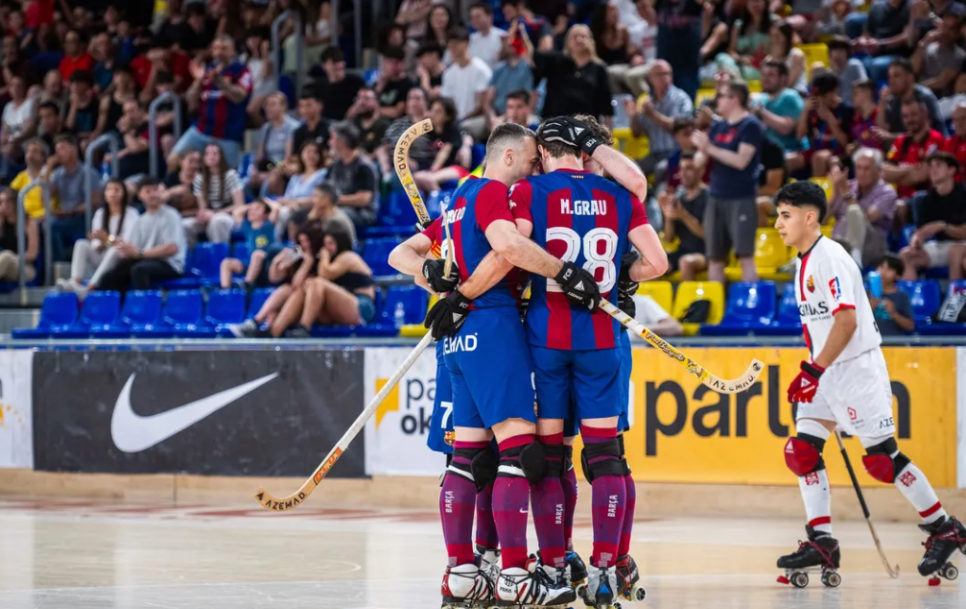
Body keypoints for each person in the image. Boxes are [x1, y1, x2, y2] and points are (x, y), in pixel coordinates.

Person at [420, 122, 602, 607]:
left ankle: (462, 573)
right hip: (494, 324)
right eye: (528, 161)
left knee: (467, 459)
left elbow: (405, 253)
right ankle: (516, 577)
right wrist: (564, 271)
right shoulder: (491, 194)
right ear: (505, 158)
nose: (533, 169)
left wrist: (432, 279)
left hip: (458, 336)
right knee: (519, 456)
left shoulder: (456, 197)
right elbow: (508, 248)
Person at [503, 115, 665, 606]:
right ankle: (604, 570)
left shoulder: (531, 191)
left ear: (545, 151)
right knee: (605, 457)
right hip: (601, 340)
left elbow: (514, 253)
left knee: (551, 460)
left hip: (548, 341)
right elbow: (657, 263)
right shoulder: (619, 195)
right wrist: (623, 278)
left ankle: (554, 567)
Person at [771, 180, 964, 583]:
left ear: (810, 217)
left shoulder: (831, 258)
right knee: (802, 452)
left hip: (855, 369)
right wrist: (814, 369)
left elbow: (847, 321)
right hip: (826, 370)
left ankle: (944, 526)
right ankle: (821, 540)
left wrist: (813, 371)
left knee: (882, 460)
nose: (777, 225)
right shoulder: (804, 262)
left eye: (785, 215)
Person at [387, 203, 500, 585]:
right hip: (457, 339)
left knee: (503, 457)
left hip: (502, 338)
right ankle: (462, 565)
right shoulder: (458, 214)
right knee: (465, 458)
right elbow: (399, 256)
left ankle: (488, 556)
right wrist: (430, 269)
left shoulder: (507, 210)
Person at [692, 80, 763, 283]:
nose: (716, 102)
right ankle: (717, 311)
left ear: (735, 99)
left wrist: (709, 147)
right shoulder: (717, 126)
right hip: (716, 196)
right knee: (715, 258)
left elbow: (741, 161)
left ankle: (753, 306)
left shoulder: (750, 125)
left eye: (720, 96)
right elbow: (699, 162)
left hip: (741, 197)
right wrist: (700, 146)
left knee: (745, 257)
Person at [89, 177, 187, 294]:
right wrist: (124, 248)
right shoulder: (140, 220)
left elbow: (172, 248)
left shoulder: (171, 215)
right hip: (145, 260)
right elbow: (134, 251)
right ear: (140, 195)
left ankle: (145, 308)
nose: (153, 195)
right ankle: (118, 308)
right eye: (148, 191)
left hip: (170, 264)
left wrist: (140, 253)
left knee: (139, 270)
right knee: (110, 276)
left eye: (155, 190)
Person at [230, 223, 326, 338]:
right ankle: (256, 323)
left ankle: (257, 323)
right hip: (294, 304)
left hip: (314, 309)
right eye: (301, 241)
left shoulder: (321, 258)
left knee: (288, 290)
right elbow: (274, 278)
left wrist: (307, 263)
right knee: (278, 304)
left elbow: (297, 286)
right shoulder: (298, 254)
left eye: (307, 240)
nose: (304, 245)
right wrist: (277, 262)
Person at [171, 36, 252, 171]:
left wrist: (218, 80)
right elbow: (190, 99)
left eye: (224, 49)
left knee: (229, 176)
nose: (219, 52)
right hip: (202, 130)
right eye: (216, 48)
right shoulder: (206, 69)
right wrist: (197, 81)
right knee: (173, 159)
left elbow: (239, 97)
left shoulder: (242, 70)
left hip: (228, 134)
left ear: (232, 50)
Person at [287, 229, 377, 336]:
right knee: (303, 289)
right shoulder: (331, 261)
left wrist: (324, 256)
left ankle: (304, 327)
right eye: (325, 244)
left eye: (331, 243)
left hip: (361, 307)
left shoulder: (348, 256)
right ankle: (273, 331)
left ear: (340, 242)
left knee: (317, 283)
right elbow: (296, 285)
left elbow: (325, 275)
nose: (327, 248)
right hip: (343, 307)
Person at [57, 179, 139, 293]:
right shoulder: (100, 213)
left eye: (117, 190)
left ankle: (91, 287)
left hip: (121, 259)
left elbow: (126, 243)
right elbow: (96, 243)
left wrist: (107, 239)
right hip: (102, 253)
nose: (113, 193)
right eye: (109, 190)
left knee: (114, 250)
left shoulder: (132, 213)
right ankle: (74, 282)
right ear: (104, 193)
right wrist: (99, 240)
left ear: (124, 193)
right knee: (81, 244)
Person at [899, 152, 966, 280]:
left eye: (938, 165)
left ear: (951, 170)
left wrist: (942, 227)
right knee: (906, 255)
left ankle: (954, 298)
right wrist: (917, 240)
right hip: (941, 245)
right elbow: (921, 231)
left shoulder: (963, 194)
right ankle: (910, 298)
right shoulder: (926, 199)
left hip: (962, 245)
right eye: (930, 166)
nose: (933, 170)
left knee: (955, 251)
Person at [530, 24, 613, 124]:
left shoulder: (599, 69)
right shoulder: (555, 62)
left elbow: (606, 108)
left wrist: (608, 136)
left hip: (587, 129)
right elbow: (531, 56)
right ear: (568, 42)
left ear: (591, 41)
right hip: (555, 126)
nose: (579, 39)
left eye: (583, 36)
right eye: (575, 36)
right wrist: (521, 35)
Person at [828, 148, 897, 267]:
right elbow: (823, 220)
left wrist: (846, 195)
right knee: (801, 264)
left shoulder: (887, 192)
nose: (862, 173)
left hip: (871, 247)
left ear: (878, 171)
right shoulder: (848, 186)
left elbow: (865, 218)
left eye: (867, 169)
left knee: (853, 211)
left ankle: (855, 257)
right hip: (841, 244)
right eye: (859, 168)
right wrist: (835, 193)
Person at [625, 60, 694, 177]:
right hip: (655, 154)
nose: (664, 77)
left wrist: (653, 115)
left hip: (676, 153)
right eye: (659, 74)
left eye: (667, 73)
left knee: (660, 170)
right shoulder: (648, 101)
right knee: (629, 170)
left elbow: (679, 127)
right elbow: (636, 133)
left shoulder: (681, 98)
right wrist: (634, 115)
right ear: (650, 79)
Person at [48, 135, 102, 262]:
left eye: (62, 149)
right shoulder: (57, 174)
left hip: (83, 217)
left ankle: (62, 262)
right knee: (46, 226)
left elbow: (94, 202)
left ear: (74, 150)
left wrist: (68, 212)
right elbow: (44, 197)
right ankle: (58, 262)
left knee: (53, 226)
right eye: (56, 150)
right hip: (65, 218)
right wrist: (48, 169)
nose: (58, 154)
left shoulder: (88, 172)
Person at [791, 71, 854, 178]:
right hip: (816, 149)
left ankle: (816, 193)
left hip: (839, 153)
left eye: (823, 95)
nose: (819, 99)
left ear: (834, 91)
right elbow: (800, 136)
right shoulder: (813, 107)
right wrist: (805, 111)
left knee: (819, 158)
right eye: (816, 95)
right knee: (789, 159)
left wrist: (829, 118)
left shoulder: (846, 110)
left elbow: (845, 143)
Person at [883, 97, 946, 202]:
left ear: (924, 113)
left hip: (927, 198)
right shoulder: (900, 141)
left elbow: (923, 175)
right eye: (905, 116)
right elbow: (884, 172)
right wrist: (910, 170)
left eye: (913, 115)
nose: (909, 120)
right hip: (899, 199)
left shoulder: (935, 139)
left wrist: (897, 174)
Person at [659, 152, 708, 280]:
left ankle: (690, 300)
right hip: (683, 251)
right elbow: (669, 238)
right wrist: (668, 214)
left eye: (689, 168)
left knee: (686, 262)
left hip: (707, 252)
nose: (684, 173)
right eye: (681, 169)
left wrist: (683, 215)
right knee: (654, 263)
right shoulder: (679, 198)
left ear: (701, 171)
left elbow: (706, 234)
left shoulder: (709, 197)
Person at [877, 59, 947, 146]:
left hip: (931, 147)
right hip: (907, 149)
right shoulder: (893, 101)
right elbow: (882, 132)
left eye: (896, 76)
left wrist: (893, 137)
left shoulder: (925, 97)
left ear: (910, 77)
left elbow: (924, 133)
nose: (891, 81)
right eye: (889, 77)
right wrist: (882, 103)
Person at [186, 143, 244, 245]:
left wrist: (215, 213)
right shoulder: (199, 178)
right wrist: (203, 215)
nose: (211, 156)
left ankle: (219, 256)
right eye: (207, 154)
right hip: (210, 215)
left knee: (217, 221)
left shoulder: (231, 175)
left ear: (221, 157)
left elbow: (239, 205)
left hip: (229, 215)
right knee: (186, 225)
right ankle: (191, 257)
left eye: (215, 153)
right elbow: (203, 206)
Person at [327, 121, 379, 229]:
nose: (329, 143)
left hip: (362, 213)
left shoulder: (364, 166)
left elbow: (364, 199)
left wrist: (334, 200)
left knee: (333, 215)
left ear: (342, 141)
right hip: (337, 207)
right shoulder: (335, 166)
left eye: (332, 138)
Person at [413, 97, 472, 192]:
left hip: (456, 169)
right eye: (432, 110)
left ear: (447, 116)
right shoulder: (430, 132)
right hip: (439, 169)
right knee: (416, 177)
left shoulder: (452, 130)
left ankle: (441, 204)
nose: (433, 114)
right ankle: (424, 205)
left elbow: (445, 151)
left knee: (429, 179)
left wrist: (433, 169)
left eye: (438, 112)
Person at [219, 199, 278, 290]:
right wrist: (251, 206)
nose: (252, 211)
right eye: (251, 209)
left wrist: (266, 200)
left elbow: (276, 208)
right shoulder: (247, 227)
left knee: (257, 254)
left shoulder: (268, 225)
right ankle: (225, 290)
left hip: (267, 263)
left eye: (258, 208)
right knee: (226, 263)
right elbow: (236, 212)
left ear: (266, 214)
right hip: (252, 265)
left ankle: (247, 285)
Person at [441, 27, 493, 123]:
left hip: (476, 119)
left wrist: (462, 120)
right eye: (450, 44)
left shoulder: (480, 69)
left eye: (456, 43)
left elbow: (481, 105)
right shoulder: (448, 74)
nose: (452, 47)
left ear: (466, 43)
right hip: (455, 121)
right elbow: (447, 102)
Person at [712, 0, 773, 83]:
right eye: (751, 2)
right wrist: (741, 59)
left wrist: (766, 60)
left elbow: (781, 49)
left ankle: (738, 84)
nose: (754, 4)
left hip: (762, 68)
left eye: (758, 1)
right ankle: (739, 83)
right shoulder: (739, 25)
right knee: (721, 57)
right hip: (740, 68)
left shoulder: (773, 23)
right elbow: (732, 51)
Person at [754, 61, 804, 158]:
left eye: (771, 75)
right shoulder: (760, 99)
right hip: (763, 151)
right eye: (764, 74)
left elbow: (786, 128)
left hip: (788, 151)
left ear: (783, 79)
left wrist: (762, 113)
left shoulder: (790, 96)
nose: (766, 78)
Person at [912, 13, 965, 100]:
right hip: (917, 91)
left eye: (951, 29)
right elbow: (913, 69)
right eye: (944, 26)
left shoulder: (959, 55)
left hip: (936, 97)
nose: (945, 32)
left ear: (957, 33)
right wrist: (924, 44)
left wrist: (913, 89)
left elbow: (941, 82)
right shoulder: (928, 45)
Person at [287, 183, 356, 244]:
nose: (312, 200)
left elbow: (311, 241)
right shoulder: (324, 214)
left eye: (315, 196)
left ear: (325, 199)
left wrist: (311, 219)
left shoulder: (335, 220)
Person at [870, 254, 915, 335]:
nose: (883, 272)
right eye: (881, 267)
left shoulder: (902, 296)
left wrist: (894, 313)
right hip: (871, 343)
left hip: (894, 344)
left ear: (898, 276)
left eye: (889, 269)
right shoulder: (866, 294)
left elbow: (910, 326)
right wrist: (871, 306)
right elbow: (855, 321)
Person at [316, 47, 366, 121]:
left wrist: (356, 108)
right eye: (333, 63)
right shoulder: (319, 84)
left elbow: (366, 97)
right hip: (326, 123)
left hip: (351, 122)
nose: (337, 65)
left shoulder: (355, 82)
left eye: (339, 62)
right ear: (324, 66)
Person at [0, 187, 38, 282]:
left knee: (7, 256)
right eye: (1, 202)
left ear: (15, 203)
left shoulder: (29, 222)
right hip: (3, 264)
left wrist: (13, 258)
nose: (4, 206)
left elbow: (32, 254)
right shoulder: (2, 223)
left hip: (25, 267)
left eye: (7, 202)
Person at [0, 75, 35, 177]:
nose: (15, 89)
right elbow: (4, 127)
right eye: (12, 86)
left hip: (23, 140)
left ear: (24, 88)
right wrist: (3, 138)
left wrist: (17, 138)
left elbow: (30, 127)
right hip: (9, 140)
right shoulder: (8, 106)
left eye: (18, 86)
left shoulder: (29, 104)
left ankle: (3, 177)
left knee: (8, 149)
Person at [765, 20, 808, 97]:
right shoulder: (768, 59)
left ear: (786, 37)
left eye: (777, 35)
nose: (774, 39)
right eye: (772, 35)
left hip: (796, 93)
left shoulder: (796, 55)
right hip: (775, 95)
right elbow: (765, 83)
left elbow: (789, 83)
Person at [12, 138, 51, 220]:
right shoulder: (21, 176)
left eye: (35, 152)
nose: (30, 155)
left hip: (45, 218)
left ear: (43, 156)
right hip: (25, 219)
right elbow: (10, 195)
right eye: (28, 152)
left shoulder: (50, 175)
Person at [374, 46, 416, 121]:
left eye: (394, 62)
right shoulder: (379, 83)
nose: (390, 66)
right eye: (388, 62)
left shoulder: (408, 85)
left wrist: (373, 110)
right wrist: (378, 88)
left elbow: (396, 112)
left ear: (402, 64)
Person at [346, 87, 391, 155]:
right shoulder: (354, 122)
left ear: (376, 102)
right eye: (359, 98)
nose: (362, 102)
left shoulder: (383, 125)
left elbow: (380, 153)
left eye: (366, 99)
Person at [824, 36, 867, 106]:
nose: (837, 54)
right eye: (835, 50)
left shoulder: (855, 65)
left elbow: (864, 88)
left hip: (854, 106)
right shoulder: (828, 72)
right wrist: (835, 71)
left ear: (847, 52)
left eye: (841, 51)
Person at [291, 92, 331, 158]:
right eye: (301, 106)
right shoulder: (298, 132)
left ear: (320, 106)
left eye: (308, 105)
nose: (304, 110)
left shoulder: (330, 128)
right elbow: (295, 156)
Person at [469, 2, 507, 69]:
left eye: (478, 17)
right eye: (472, 17)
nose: (475, 20)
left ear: (490, 17)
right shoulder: (470, 39)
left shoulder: (503, 36)